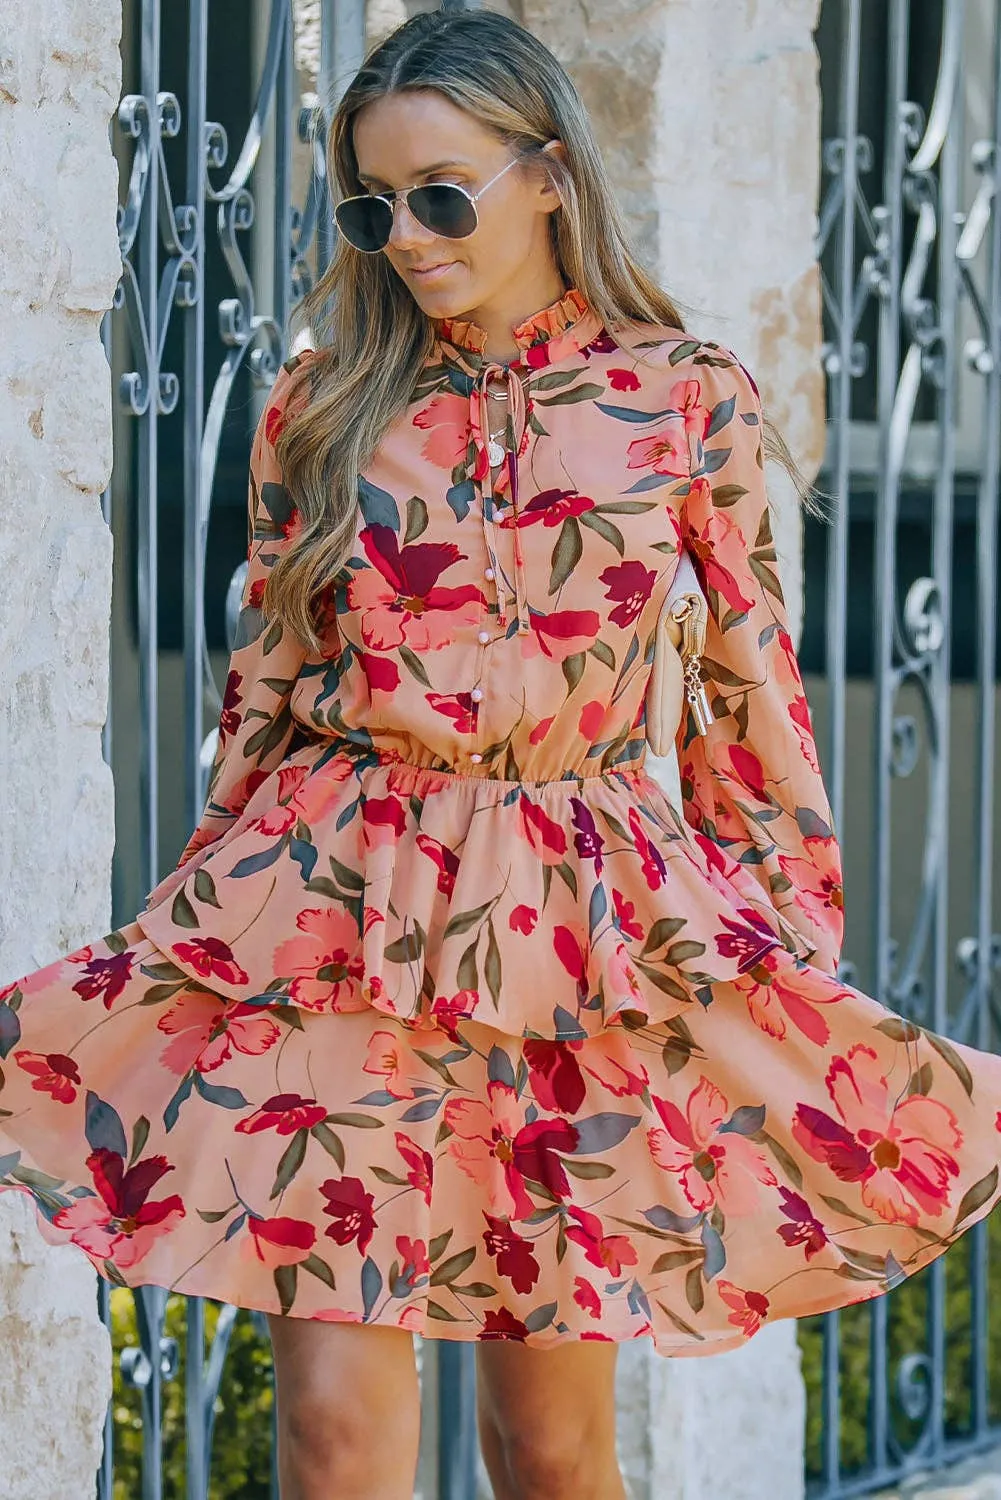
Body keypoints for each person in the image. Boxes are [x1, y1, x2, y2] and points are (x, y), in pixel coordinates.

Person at [1, 9, 999, 1499]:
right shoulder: (324, 402)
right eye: (369, 204)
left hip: (578, 931)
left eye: (442, 194)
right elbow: (266, 684)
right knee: (336, 1430)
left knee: (550, 1442)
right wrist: (208, 909)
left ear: (548, 176)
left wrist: (788, 937)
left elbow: (747, 699)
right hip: (343, 913)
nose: (404, 237)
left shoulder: (685, 401)